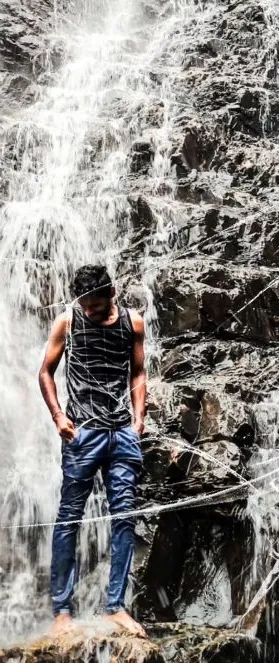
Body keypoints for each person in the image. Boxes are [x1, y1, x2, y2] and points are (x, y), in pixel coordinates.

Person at [39, 264, 147, 637]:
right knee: (69, 517)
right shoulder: (67, 321)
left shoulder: (133, 323)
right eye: (83, 304)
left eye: (94, 304)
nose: (87, 310)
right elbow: (45, 372)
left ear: (110, 294)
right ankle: (62, 613)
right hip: (82, 434)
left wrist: (138, 419)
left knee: (124, 518)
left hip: (121, 434)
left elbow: (138, 372)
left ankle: (115, 607)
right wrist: (58, 417)